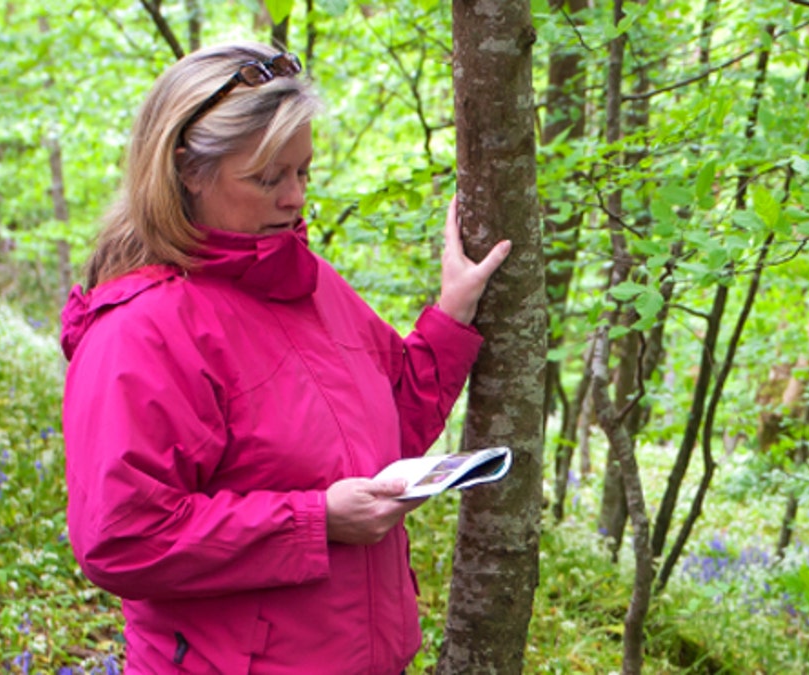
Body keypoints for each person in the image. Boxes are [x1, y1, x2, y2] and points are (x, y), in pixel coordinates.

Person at [59, 42, 510, 674]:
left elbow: (392, 419)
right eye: (269, 179)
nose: (295, 198)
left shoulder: (310, 282)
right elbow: (122, 537)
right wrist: (315, 520)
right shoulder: (140, 332)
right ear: (188, 170)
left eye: (303, 172)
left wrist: (452, 312)